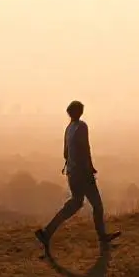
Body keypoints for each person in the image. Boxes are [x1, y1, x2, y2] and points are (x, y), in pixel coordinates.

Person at [35, 100, 120, 255]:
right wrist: (90, 167)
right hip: (82, 172)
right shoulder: (82, 126)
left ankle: (47, 232)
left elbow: (65, 154)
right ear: (78, 112)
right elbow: (85, 148)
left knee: (75, 203)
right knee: (97, 205)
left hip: (72, 172)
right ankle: (102, 237)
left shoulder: (68, 129)